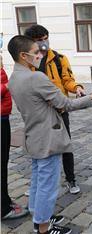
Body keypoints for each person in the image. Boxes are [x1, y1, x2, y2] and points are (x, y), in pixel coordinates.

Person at [7, 35, 92, 234]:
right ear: (23, 55)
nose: (40, 54)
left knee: (38, 182)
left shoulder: (14, 77)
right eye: (36, 52)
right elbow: (66, 104)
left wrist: (48, 103)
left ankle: (39, 217)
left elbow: (36, 102)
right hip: (48, 138)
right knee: (47, 186)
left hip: (33, 136)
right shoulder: (35, 77)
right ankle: (44, 228)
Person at [24, 24, 85, 194]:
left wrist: (77, 88)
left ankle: (71, 179)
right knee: (38, 147)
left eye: (45, 38)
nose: (44, 43)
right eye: (39, 40)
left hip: (59, 110)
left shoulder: (59, 58)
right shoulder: (27, 61)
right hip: (38, 113)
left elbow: (67, 80)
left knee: (65, 145)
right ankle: (37, 184)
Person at [1, 54, 29, 220]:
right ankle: (3, 209)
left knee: (3, 164)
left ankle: (4, 200)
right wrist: (6, 85)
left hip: (3, 118)